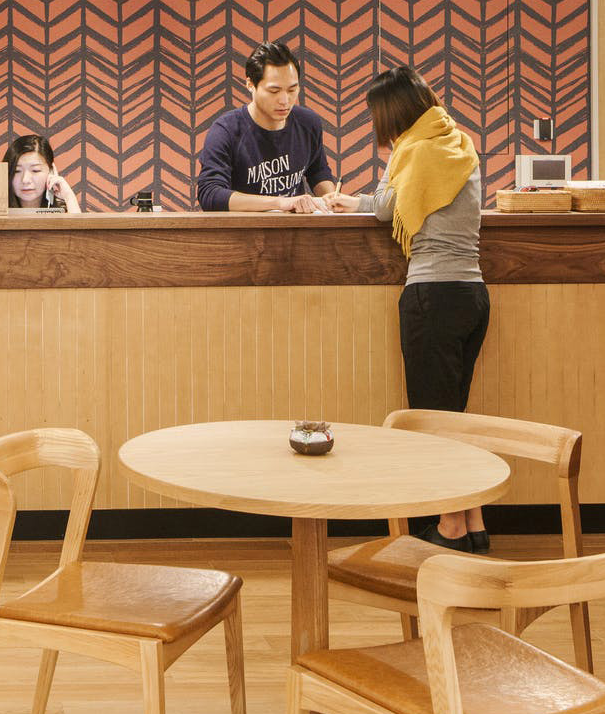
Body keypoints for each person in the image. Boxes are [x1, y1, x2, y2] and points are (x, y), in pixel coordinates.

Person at [355, 68, 489, 552]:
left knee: (433, 420)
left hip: (432, 294)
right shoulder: (459, 143)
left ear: (391, 115)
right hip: (473, 295)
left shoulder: (416, 151)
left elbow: (385, 208)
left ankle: (450, 525)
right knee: (454, 416)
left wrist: (371, 181)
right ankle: (473, 520)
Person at [195, 41, 352, 214]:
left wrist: (331, 199)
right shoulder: (225, 130)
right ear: (250, 85)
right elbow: (210, 194)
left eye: (292, 90)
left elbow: (318, 171)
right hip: (243, 229)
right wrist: (280, 203)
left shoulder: (308, 122)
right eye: (274, 91)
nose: (285, 101)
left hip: (294, 228)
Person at [2, 134, 82, 212]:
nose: (25, 180)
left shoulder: (65, 211)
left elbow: (77, 221)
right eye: (17, 171)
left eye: (35, 170)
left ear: (51, 171)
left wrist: (68, 196)